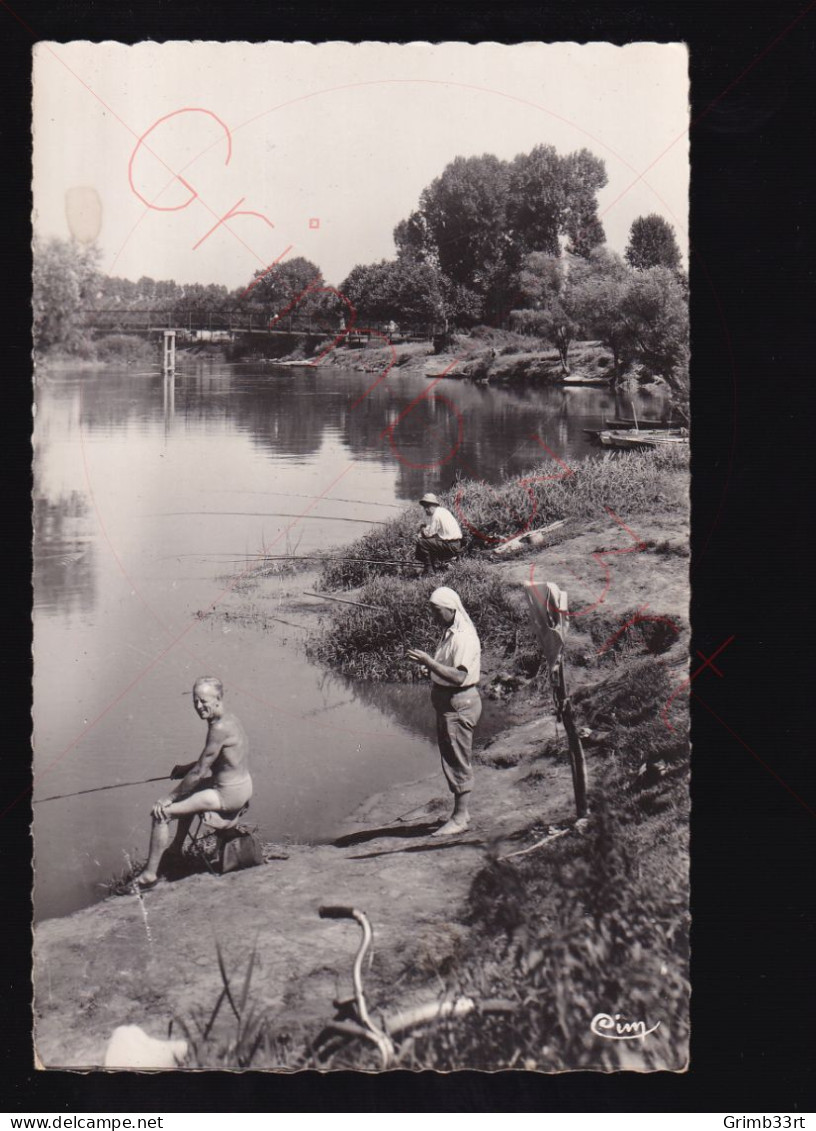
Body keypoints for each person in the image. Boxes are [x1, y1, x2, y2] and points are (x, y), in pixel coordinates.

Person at [136, 677, 252, 889]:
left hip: (228, 794)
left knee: (162, 813)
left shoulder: (219, 728)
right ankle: (175, 851)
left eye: (203, 701)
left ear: (217, 698)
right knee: (189, 792)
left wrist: (168, 797)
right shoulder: (230, 719)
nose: (199, 707)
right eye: (195, 702)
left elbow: (200, 772)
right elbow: (215, 761)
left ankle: (149, 876)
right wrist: (185, 769)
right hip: (241, 786)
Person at [407, 587, 482, 836]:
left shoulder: (463, 637)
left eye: (436, 611)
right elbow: (446, 669)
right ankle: (461, 813)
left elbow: (459, 676)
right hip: (448, 701)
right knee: (452, 754)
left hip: (459, 702)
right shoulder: (450, 633)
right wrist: (429, 670)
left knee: (457, 757)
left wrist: (429, 662)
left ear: (451, 609)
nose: (434, 616)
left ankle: (460, 817)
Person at [414, 493, 463, 575]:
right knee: (428, 542)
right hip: (455, 543)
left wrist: (421, 529)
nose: (426, 509)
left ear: (434, 505)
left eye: (428, 506)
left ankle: (429, 571)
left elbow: (428, 534)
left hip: (451, 545)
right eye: (424, 507)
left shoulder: (436, 515)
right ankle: (431, 567)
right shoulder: (442, 511)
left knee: (422, 543)